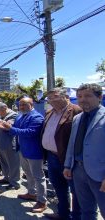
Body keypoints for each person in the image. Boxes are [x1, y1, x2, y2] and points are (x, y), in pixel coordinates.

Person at [63, 83, 105, 219]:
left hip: (100, 174)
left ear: (100, 97)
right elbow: (72, 143)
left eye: (88, 96)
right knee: (87, 211)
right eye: (79, 96)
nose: (82, 99)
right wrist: (68, 165)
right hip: (78, 171)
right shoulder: (77, 118)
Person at [0, 97, 46, 213]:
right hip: (23, 150)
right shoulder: (20, 116)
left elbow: (30, 132)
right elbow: (15, 127)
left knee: (38, 177)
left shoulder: (37, 117)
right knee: (28, 174)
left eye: (24, 104)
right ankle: (31, 193)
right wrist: (7, 126)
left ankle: (42, 201)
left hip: (34, 152)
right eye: (20, 105)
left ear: (31, 104)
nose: (21, 107)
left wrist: (10, 128)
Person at [40, 88, 82, 220]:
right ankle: (63, 214)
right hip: (52, 157)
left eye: (55, 96)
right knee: (59, 188)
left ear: (66, 97)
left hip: (69, 159)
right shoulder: (49, 112)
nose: (52, 100)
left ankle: (76, 217)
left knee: (76, 191)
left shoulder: (76, 111)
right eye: (49, 98)